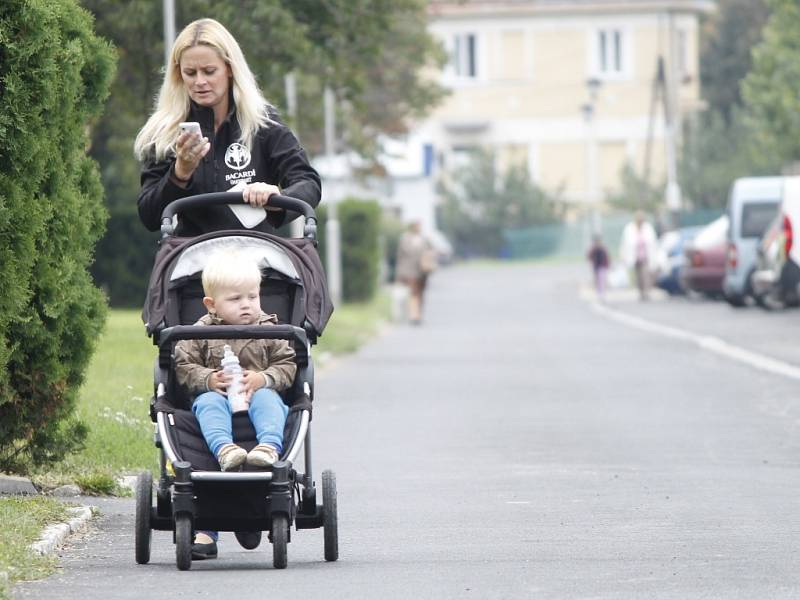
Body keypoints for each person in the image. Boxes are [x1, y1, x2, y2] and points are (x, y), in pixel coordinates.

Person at [134, 18, 321, 235]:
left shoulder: (262, 122)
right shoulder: (165, 132)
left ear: (230, 68)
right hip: (193, 257)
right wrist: (180, 173)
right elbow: (148, 215)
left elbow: (308, 183)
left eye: (209, 71)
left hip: (258, 255)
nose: (200, 82)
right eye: (190, 73)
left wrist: (276, 197)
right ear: (178, 74)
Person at [174, 249, 296, 560]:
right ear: (211, 304)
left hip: (259, 406)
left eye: (252, 297)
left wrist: (264, 379)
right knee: (208, 402)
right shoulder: (197, 333)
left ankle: (269, 447)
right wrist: (208, 379)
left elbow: (288, 365)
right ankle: (224, 449)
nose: (247, 305)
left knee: (270, 397)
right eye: (236, 299)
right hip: (218, 406)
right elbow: (183, 366)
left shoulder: (272, 330)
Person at [395, 221, 436, 325]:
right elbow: (400, 256)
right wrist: (399, 273)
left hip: (422, 270)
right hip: (410, 270)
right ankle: (414, 315)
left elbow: (432, 251)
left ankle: (418, 313)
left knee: (421, 292)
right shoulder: (405, 239)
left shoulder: (425, 239)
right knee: (413, 292)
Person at [619, 210, 658, 300]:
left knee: (645, 275)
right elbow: (625, 243)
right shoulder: (630, 228)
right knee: (638, 276)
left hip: (645, 257)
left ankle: (646, 292)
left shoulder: (648, 228)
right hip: (635, 257)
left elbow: (653, 243)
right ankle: (641, 292)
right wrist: (623, 255)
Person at [587, 234, 610, 300]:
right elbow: (589, 256)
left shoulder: (603, 248)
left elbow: (607, 257)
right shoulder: (593, 249)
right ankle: (599, 292)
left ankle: (602, 293)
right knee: (597, 280)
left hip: (602, 266)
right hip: (596, 266)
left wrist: (608, 265)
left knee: (602, 279)